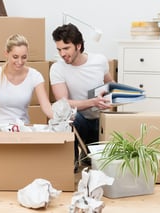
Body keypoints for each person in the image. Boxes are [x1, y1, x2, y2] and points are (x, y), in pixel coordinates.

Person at [50, 23, 114, 172]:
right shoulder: (57, 68)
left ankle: (87, 156)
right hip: (79, 121)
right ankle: (69, 162)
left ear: (78, 46)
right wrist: (92, 102)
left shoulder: (99, 61)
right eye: (59, 49)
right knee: (67, 116)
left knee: (96, 164)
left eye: (66, 48)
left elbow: (110, 84)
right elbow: (63, 103)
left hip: (100, 121)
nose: (62, 54)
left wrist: (111, 98)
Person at [0, 34, 53, 125]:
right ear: (6, 54)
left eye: (24, 57)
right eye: (15, 57)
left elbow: (46, 106)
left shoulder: (35, 76)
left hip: (22, 128)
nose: (20, 62)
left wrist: (60, 119)